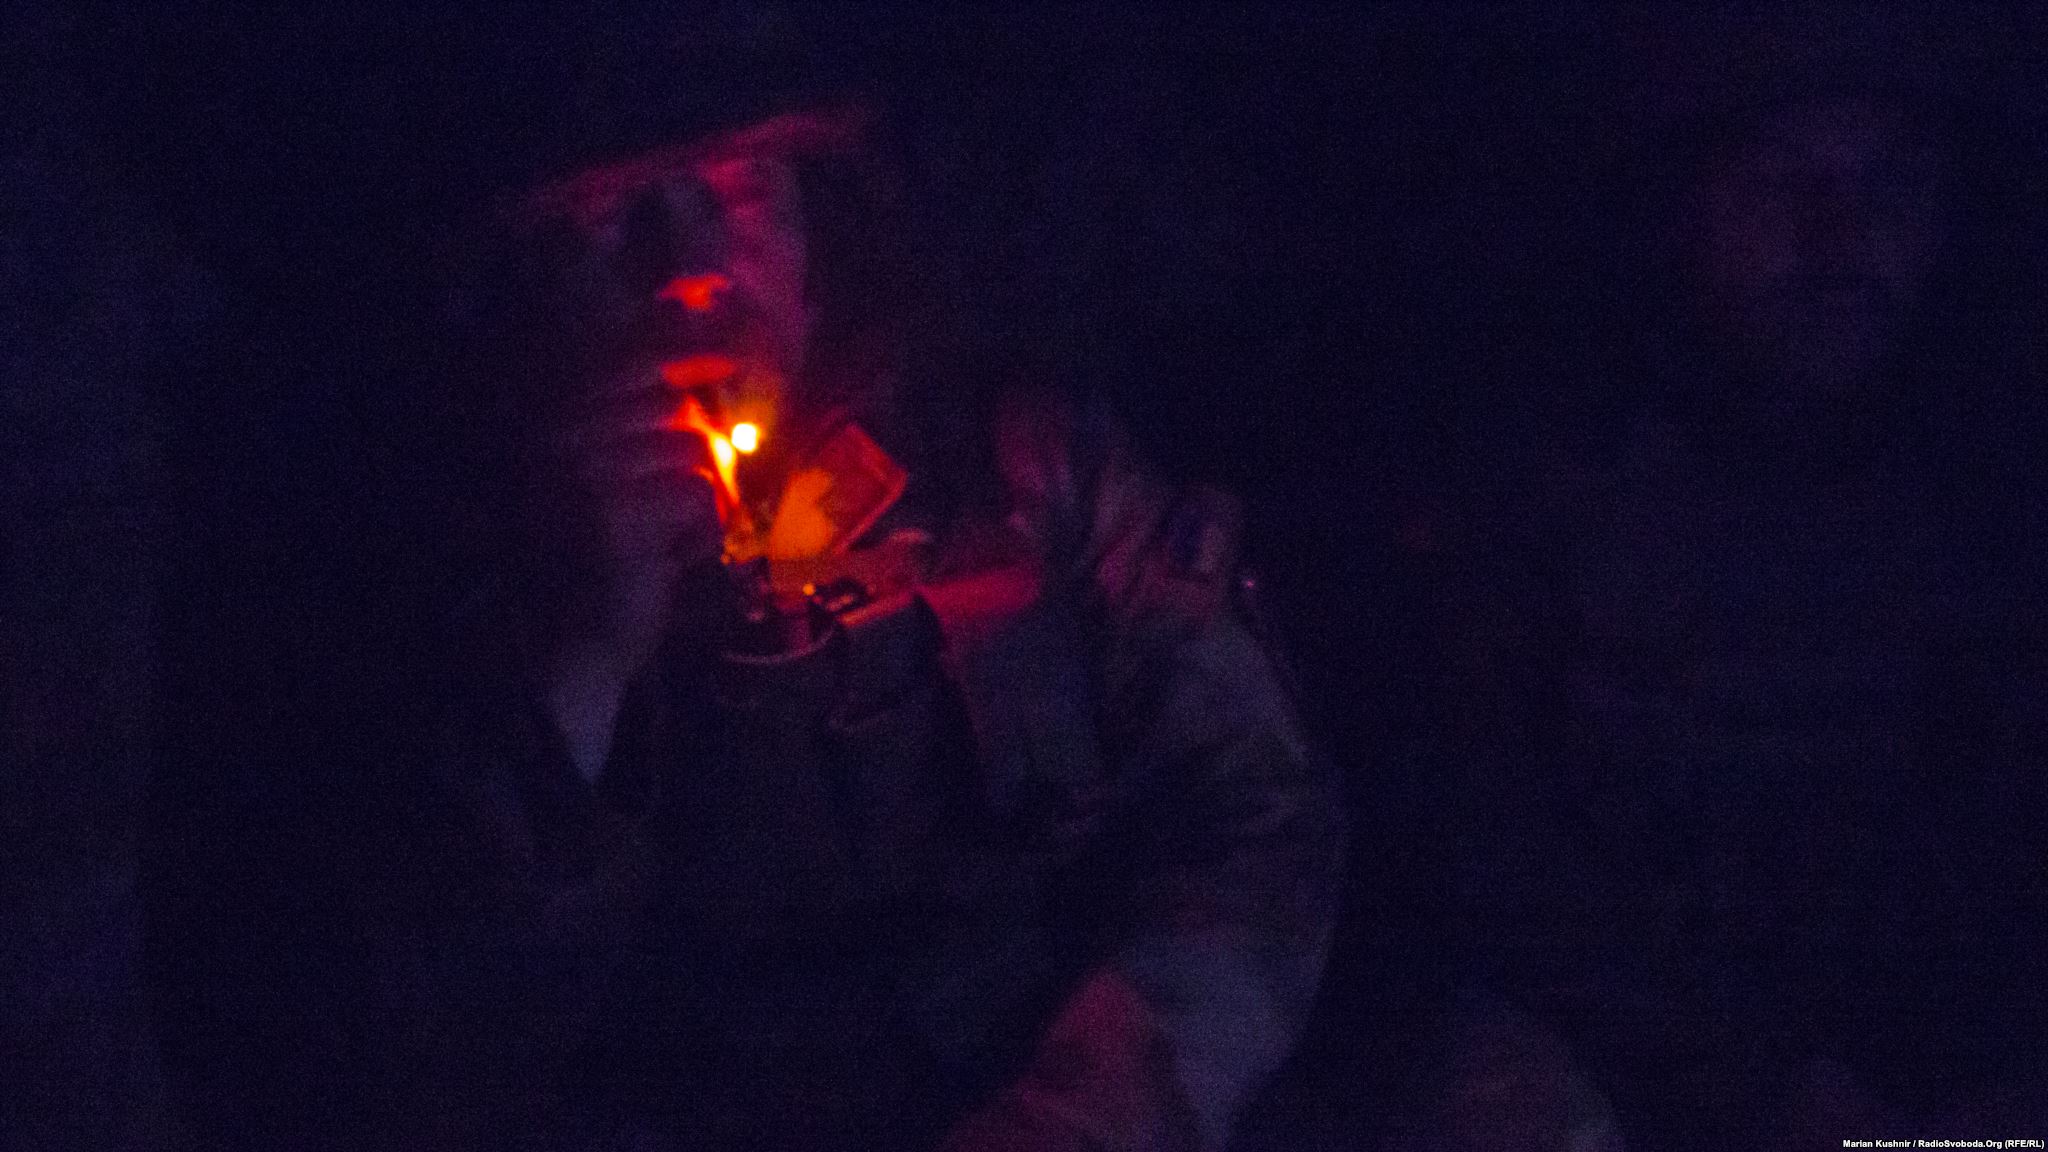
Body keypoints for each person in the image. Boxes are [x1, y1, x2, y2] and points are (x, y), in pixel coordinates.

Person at [348, 72, 1344, 1151]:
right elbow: (406, 1043)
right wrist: (580, 666)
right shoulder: (436, 580)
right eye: (609, 217)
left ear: (819, 233)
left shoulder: (1025, 469)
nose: (684, 272)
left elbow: (1252, 816)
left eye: (736, 192)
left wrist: (1092, 1113)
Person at [1410, 79, 2046, 1149]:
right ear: (1685, 206)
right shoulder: (1547, 482)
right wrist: (1747, 1084)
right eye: (1774, 184)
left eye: (1887, 187)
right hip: (1624, 1058)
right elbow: (1480, 835)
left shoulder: (1999, 493)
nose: (1837, 237)